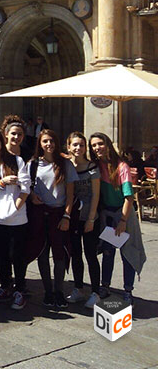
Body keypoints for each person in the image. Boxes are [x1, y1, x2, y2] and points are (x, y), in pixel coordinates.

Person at [89, 132, 146, 305]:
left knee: (127, 254)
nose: (97, 148)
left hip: (123, 216)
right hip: (107, 215)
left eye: (100, 144)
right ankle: (105, 286)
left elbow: (128, 197)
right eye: (93, 145)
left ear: (107, 144)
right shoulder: (97, 166)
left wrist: (122, 221)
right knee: (108, 253)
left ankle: (128, 290)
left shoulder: (122, 167)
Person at [0, 129, 30, 310]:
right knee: (1, 255)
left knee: (17, 255)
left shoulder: (16, 160)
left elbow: (25, 187)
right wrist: (2, 182)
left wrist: (17, 205)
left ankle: (20, 290)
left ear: (1, 141)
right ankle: (5, 287)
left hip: (17, 218)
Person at [26, 129, 75, 308]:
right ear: (40, 143)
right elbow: (25, 186)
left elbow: (70, 194)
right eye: (45, 141)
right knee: (42, 253)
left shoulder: (65, 164)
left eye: (52, 141)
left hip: (58, 214)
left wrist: (66, 216)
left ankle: (59, 291)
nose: (49, 144)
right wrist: (31, 195)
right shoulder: (33, 164)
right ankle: (48, 291)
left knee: (59, 253)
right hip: (39, 214)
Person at [65, 132, 101, 309]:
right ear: (69, 147)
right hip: (73, 217)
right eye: (75, 145)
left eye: (81, 145)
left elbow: (96, 194)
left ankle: (95, 291)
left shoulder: (92, 167)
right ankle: (78, 287)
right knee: (76, 254)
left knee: (90, 254)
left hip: (89, 217)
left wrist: (91, 218)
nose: (78, 148)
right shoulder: (67, 166)